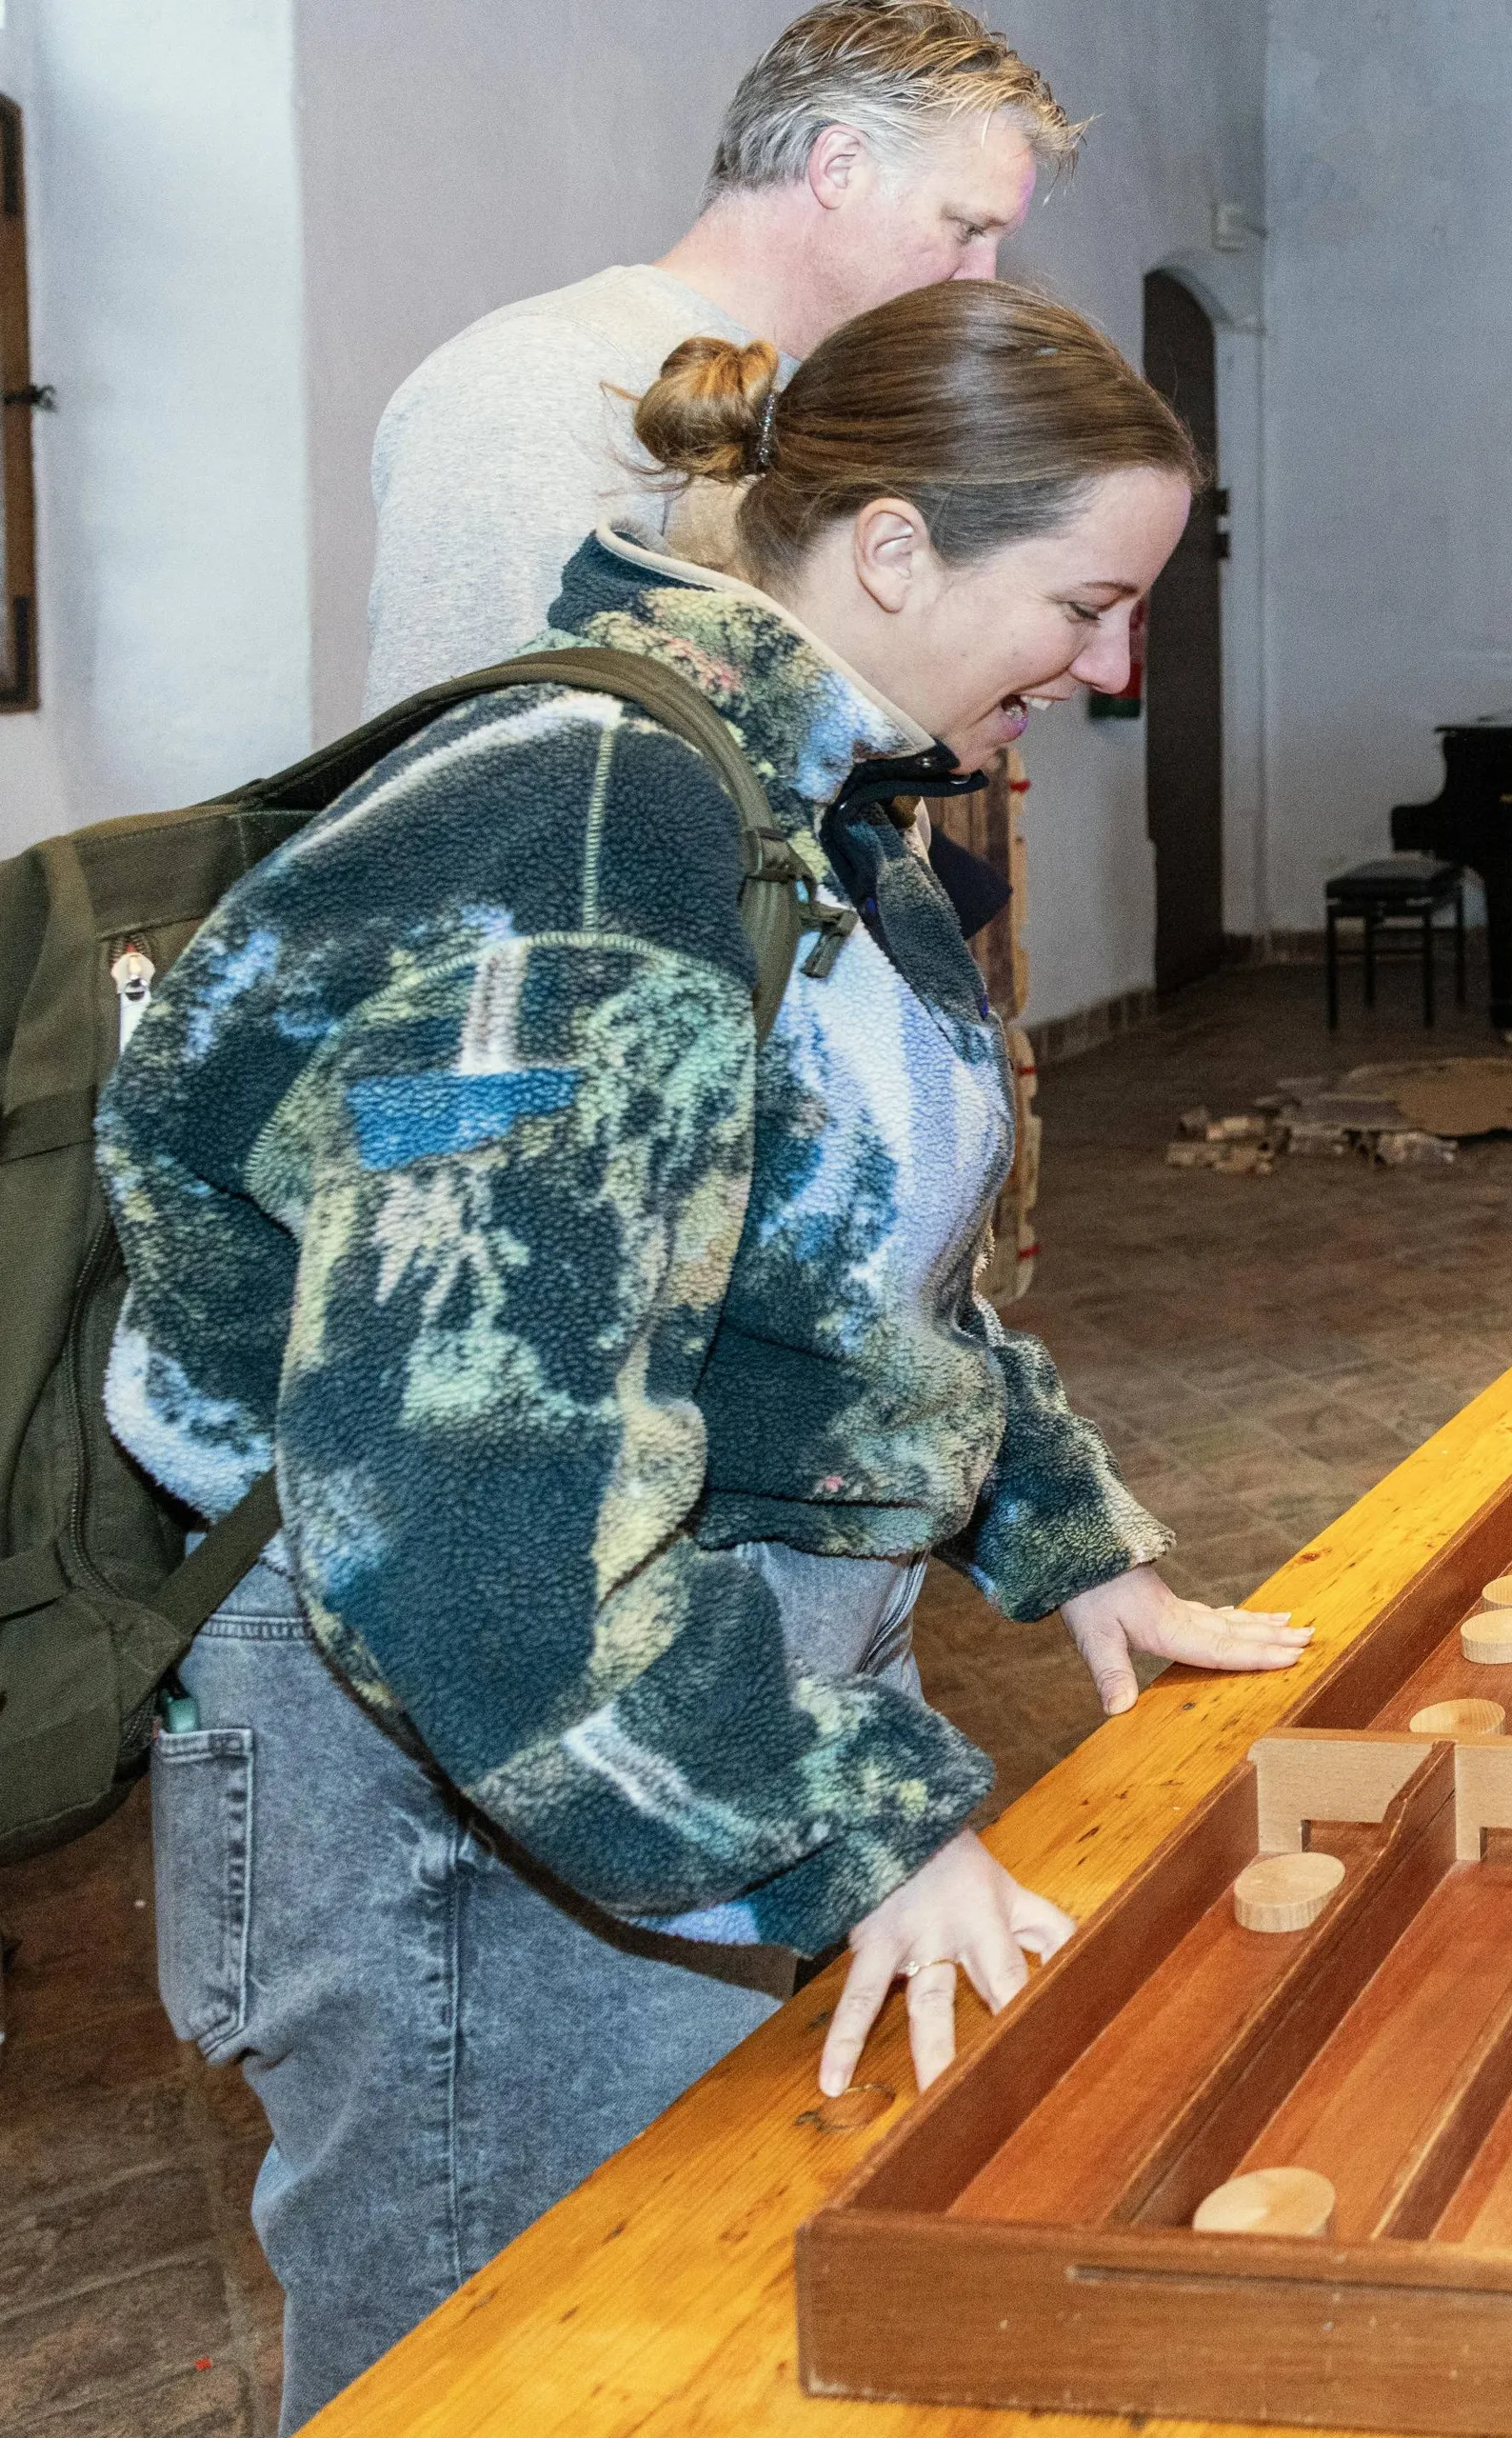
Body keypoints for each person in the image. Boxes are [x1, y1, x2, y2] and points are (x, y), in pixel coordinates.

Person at [103, 280, 1306, 2431]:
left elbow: (857, 1277)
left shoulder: (812, 798)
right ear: (896, 550)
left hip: (673, 1730)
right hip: (473, 1803)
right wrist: (845, 1827)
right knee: (529, 2359)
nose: (1112, 666)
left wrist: (1070, 1545)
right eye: (1090, 599)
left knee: (727, 2328)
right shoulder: (590, 824)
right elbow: (461, 1494)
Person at [364, 0, 1076, 708]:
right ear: (839, 165)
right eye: (966, 227)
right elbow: (468, 769)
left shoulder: (850, 405)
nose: (981, 277)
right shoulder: (541, 377)